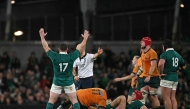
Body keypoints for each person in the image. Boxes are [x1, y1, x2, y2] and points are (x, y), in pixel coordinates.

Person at [39, 28, 89, 109]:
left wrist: (42, 37)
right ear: (67, 49)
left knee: (51, 101)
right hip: (68, 82)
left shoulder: (55, 56)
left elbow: (46, 47)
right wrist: (85, 39)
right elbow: (80, 47)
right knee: (74, 101)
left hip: (57, 82)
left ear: (59, 49)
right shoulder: (71, 57)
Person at [158, 39, 186, 109]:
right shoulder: (178, 55)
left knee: (166, 98)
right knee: (173, 98)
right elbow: (184, 66)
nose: (162, 47)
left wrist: (160, 73)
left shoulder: (164, 54)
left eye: (162, 46)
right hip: (175, 78)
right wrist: (178, 70)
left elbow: (161, 64)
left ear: (165, 46)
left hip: (167, 77)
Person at [138, 36, 160, 108]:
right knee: (142, 96)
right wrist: (137, 75)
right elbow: (143, 66)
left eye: (142, 42)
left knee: (153, 97)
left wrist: (149, 76)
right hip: (144, 77)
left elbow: (153, 65)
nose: (141, 43)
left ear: (147, 43)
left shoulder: (152, 52)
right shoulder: (143, 52)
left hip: (153, 77)